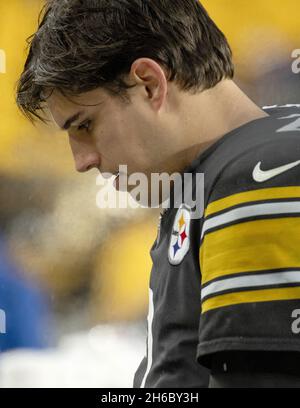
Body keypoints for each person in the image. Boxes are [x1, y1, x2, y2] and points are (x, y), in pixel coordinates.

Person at [16, 0, 300, 388]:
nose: (82, 160)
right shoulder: (224, 166)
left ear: (149, 83)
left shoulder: (254, 177)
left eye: (85, 125)